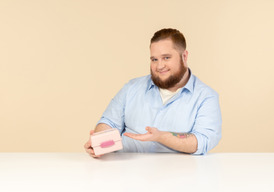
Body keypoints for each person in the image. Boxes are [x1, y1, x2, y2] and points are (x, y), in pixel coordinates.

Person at [84, 28, 222, 158]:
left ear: (184, 56)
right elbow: (109, 122)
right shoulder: (131, 88)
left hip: (178, 177)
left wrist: (160, 136)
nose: (159, 66)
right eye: (154, 59)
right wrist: (99, 142)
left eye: (166, 58)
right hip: (126, 173)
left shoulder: (206, 97)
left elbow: (203, 140)